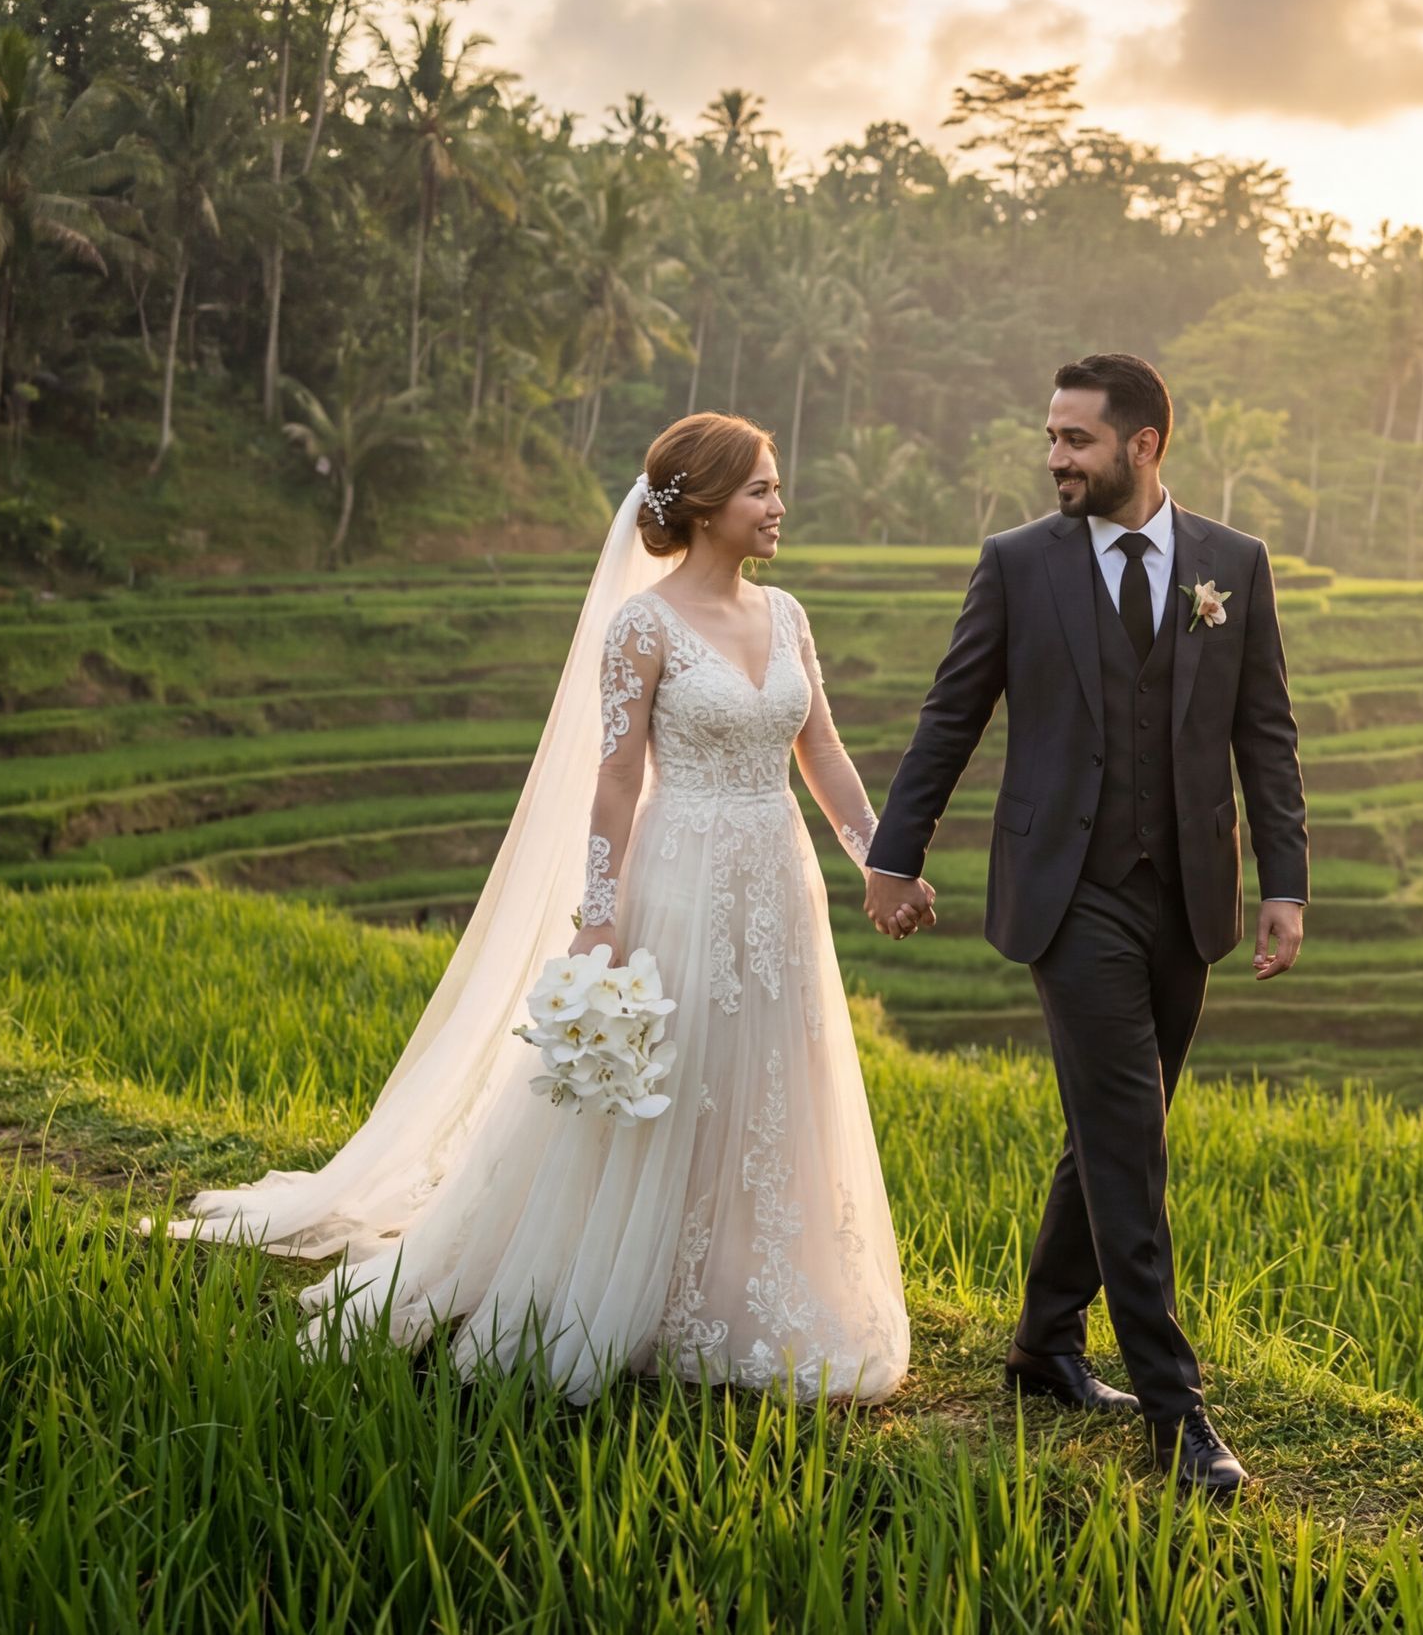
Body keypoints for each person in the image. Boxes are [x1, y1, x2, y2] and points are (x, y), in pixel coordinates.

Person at [172, 412, 911, 1404]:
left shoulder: (787, 615)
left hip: (779, 882)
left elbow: (819, 749)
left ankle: (749, 1281)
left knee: (772, 1074)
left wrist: (875, 858)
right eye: (761, 491)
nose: (780, 507)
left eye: (776, 488)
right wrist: (599, 915)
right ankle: (634, 1282)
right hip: (681, 875)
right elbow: (613, 782)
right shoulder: (642, 626)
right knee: (673, 1076)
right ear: (701, 505)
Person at [865, 352, 1308, 1497]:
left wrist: (1286, 885)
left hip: (1191, 894)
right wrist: (893, 854)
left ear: (1144, 445)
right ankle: (1177, 1411)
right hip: (1070, 896)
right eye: (1051, 438)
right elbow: (951, 711)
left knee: (1114, 1123)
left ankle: (1042, 1344)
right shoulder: (1018, 565)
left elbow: (1267, 734)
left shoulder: (1232, 567)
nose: (1055, 457)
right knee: (1130, 1138)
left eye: (1076, 440)